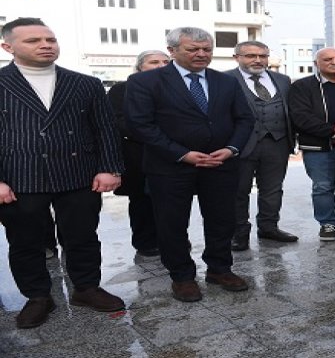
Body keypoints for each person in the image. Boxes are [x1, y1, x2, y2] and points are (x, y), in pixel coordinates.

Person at [0, 18, 126, 329]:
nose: (45, 45)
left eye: (50, 39)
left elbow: (105, 129)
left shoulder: (85, 83)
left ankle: (87, 288)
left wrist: (109, 168)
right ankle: (38, 296)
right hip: (20, 177)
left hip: (78, 174)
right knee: (25, 242)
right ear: (8, 46)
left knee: (82, 236)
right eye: (33, 41)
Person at [125, 27, 255, 302]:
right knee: (172, 223)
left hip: (220, 164)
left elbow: (245, 119)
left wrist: (231, 149)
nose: (201, 54)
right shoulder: (146, 82)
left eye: (207, 49)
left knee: (222, 220)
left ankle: (220, 269)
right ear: (172, 51)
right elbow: (140, 125)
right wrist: (182, 154)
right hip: (170, 166)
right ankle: (182, 276)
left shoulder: (226, 82)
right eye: (193, 49)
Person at [226, 41, 298, 251]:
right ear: (237, 57)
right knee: (239, 191)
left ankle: (269, 227)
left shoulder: (283, 80)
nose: (257, 60)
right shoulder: (224, 79)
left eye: (262, 56)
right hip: (240, 145)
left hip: (277, 143)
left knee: (273, 190)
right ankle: (239, 233)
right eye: (250, 56)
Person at [288, 47, 335, 242]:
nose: (334, 62)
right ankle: (327, 224)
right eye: (328, 59)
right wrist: (332, 132)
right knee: (322, 187)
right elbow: (300, 116)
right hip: (318, 147)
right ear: (316, 64)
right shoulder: (302, 86)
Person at [107, 49, 170, 257]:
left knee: (172, 200)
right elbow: (117, 122)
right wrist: (153, 133)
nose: (161, 65)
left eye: (165, 61)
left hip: (172, 155)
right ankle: (146, 242)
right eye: (154, 62)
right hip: (138, 154)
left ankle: (173, 238)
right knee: (142, 201)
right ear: (140, 66)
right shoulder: (121, 90)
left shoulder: (178, 88)